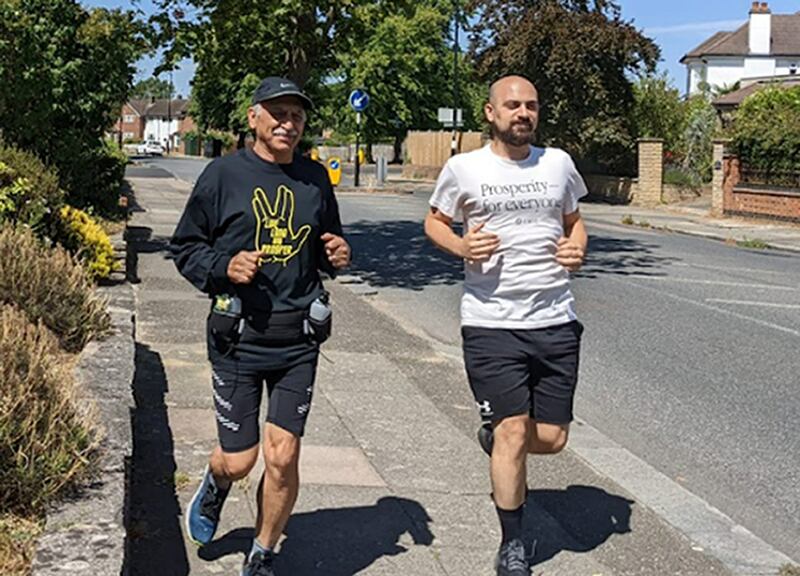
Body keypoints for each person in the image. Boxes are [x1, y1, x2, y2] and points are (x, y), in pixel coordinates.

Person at [170, 76, 351, 576]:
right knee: (240, 459)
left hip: (298, 340)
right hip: (238, 339)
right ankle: (215, 482)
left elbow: (324, 246)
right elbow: (184, 248)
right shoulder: (222, 175)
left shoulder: (315, 178)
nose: (287, 123)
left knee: (283, 454)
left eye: (296, 115)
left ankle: (263, 552)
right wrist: (223, 268)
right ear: (253, 117)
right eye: (277, 112)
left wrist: (337, 255)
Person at [424, 75, 588, 576]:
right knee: (514, 431)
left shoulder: (558, 163)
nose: (523, 113)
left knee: (553, 438)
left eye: (531, 106)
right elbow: (434, 221)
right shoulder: (463, 168)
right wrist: (459, 246)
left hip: (555, 318)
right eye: (512, 105)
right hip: (491, 322)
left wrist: (578, 247)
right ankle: (512, 544)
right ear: (490, 112)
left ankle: (496, 441)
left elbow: (573, 220)